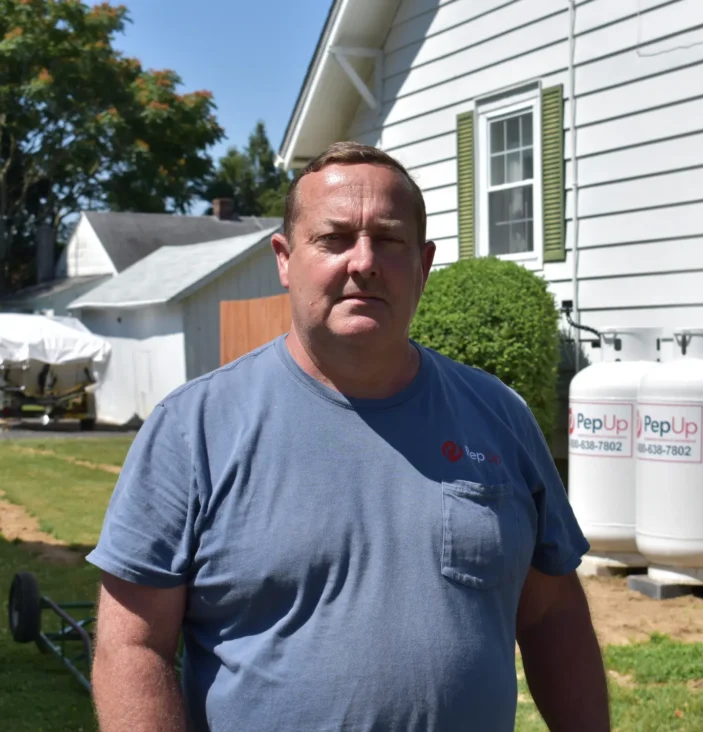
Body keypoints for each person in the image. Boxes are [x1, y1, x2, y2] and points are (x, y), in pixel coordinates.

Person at [87, 141, 610, 731]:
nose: (363, 261)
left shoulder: (499, 416)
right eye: (333, 239)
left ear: (424, 263)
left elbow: (551, 616)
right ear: (284, 258)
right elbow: (132, 646)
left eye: (388, 239)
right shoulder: (194, 428)